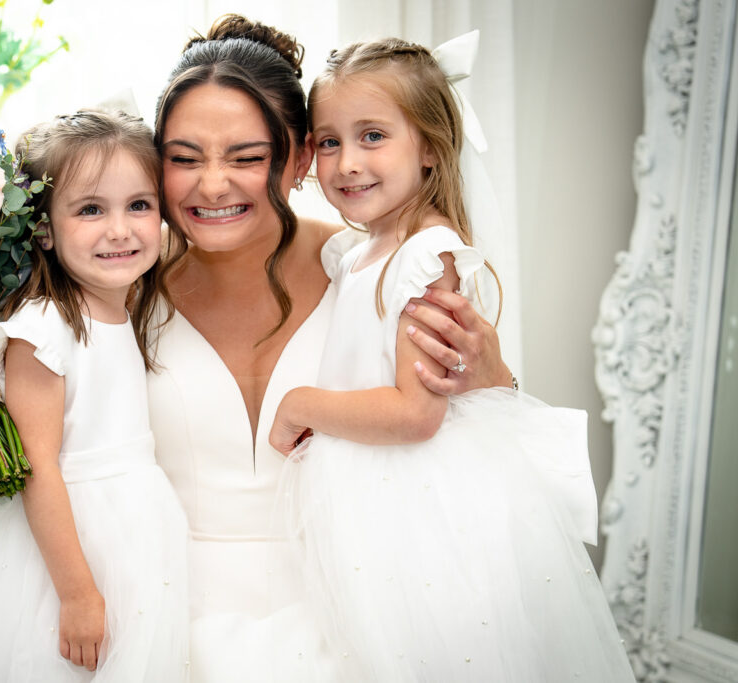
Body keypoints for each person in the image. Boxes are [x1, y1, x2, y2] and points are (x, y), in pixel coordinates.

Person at [0, 16, 512, 682]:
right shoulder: (117, 283)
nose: (212, 185)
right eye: (184, 158)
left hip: (352, 599)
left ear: (302, 157)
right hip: (153, 606)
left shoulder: (365, 268)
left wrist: (490, 373)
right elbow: (25, 384)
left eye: (247, 157)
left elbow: (460, 442)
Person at [267, 35, 635, 681]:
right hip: (362, 487)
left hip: (413, 495)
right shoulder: (355, 254)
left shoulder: (425, 255)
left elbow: (416, 413)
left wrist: (300, 405)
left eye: (373, 135)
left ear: (430, 147)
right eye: (329, 141)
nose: (347, 162)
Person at [0, 110, 189, 682]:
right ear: (43, 230)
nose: (120, 229)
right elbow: (38, 469)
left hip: (132, 527)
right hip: (64, 548)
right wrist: (78, 594)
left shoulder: (128, 305)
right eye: (90, 209)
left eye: (139, 204)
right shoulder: (44, 328)